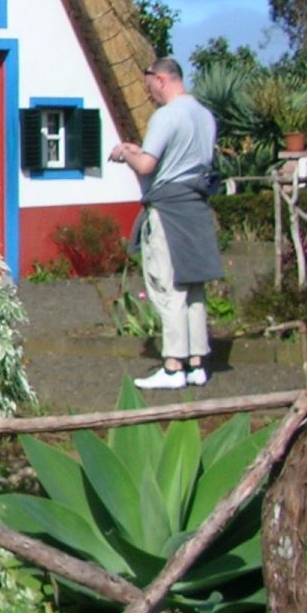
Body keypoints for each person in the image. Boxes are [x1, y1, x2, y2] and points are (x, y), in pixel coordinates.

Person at [109, 57, 222, 390]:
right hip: (196, 207)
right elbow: (180, 161)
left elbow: (146, 166)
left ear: (161, 80)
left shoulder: (165, 116)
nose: (150, 96)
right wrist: (139, 151)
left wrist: (123, 154)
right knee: (194, 286)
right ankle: (197, 364)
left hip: (168, 211)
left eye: (149, 88)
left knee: (167, 287)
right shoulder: (205, 116)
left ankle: (173, 367)